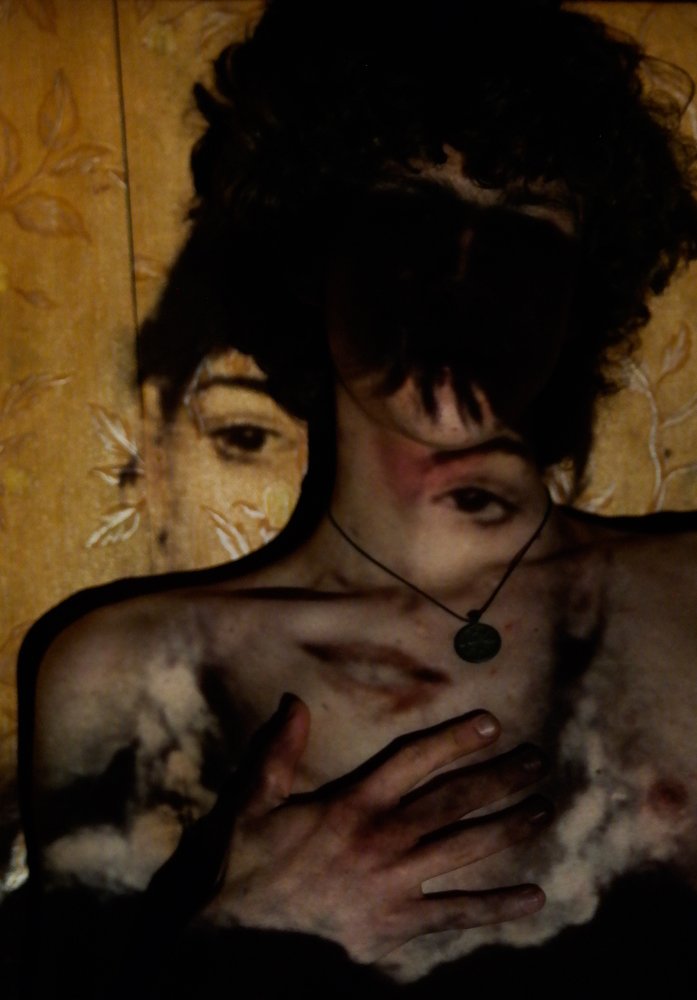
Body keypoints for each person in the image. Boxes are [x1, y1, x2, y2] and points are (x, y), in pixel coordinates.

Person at [14, 0, 697, 996]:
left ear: (578, 285)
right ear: (312, 260)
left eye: (525, 222)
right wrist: (237, 934)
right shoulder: (135, 674)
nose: (462, 269)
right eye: (409, 209)